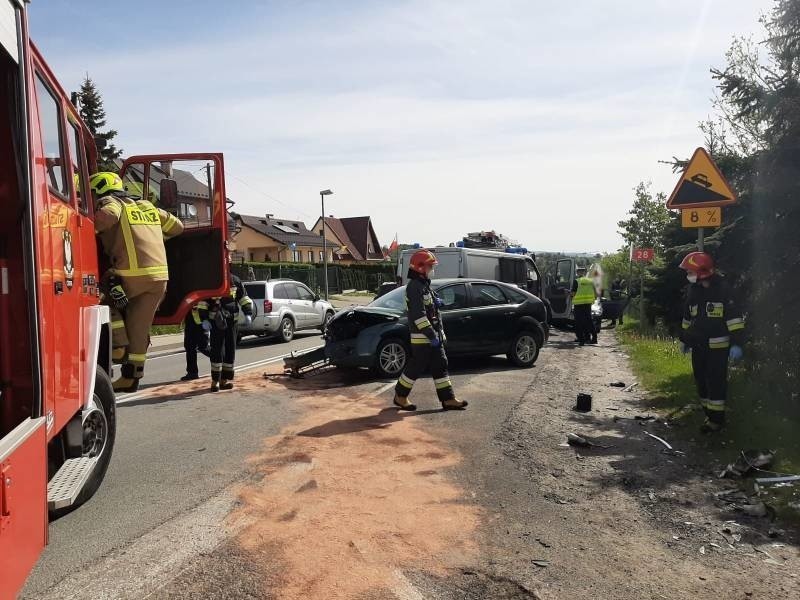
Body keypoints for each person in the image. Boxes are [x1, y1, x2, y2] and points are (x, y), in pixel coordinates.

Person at [91, 171, 184, 392]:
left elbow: (108, 216)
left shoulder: (111, 201)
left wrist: (86, 226)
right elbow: (178, 227)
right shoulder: (148, 207)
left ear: (99, 189)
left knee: (96, 297)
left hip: (128, 275)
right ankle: (131, 377)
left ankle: (119, 346)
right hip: (159, 278)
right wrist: (157, 235)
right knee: (140, 328)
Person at [678, 251, 745, 433]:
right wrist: (684, 339)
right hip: (698, 346)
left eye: (690, 272)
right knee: (701, 381)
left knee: (716, 383)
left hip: (718, 348)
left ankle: (716, 421)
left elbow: (734, 319)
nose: (688, 275)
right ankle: (708, 414)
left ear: (702, 271)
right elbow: (687, 317)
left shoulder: (723, 290)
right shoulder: (694, 291)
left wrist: (737, 343)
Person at [393, 250, 467, 411]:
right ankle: (400, 396)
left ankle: (448, 399)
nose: (432, 270)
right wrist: (432, 335)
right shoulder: (414, 287)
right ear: (420, 268)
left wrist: (435, 302)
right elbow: (418, 316)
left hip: (433, 335)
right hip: (423, 337)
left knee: (441, 364)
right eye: (430, 266)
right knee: (416, 367)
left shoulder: (423, 285)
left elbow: (428, 309)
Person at [199, 264, 254, 392]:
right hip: (216, 324)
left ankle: (224, 380)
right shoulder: (211, 282)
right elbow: (203, 302)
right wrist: (204, 319)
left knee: (230, 351)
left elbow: (244, 298)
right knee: (217, 351)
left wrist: (248, 313)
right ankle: (215, 381)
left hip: (231, 323)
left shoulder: (234, 280)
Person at [181, 302, 210, 381]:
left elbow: (205, 303)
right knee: (189, 347)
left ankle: (220, 360)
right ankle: (192, 373)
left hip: (201, 322)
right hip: (190, 322)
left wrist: (205, 319)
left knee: (203, 347)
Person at [571, 266, 597, 345]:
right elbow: (595, 292)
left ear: (578, 272)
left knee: (579, 323)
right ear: (585, 273)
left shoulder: (577, 281)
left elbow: (573, 293)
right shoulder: (591, 281)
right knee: (589, 321)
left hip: (578, 305)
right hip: (588, 304)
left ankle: (581, 340)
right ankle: (594, 338)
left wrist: (569, 294)